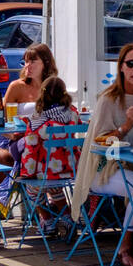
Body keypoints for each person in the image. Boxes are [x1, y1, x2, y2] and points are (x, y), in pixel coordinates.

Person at [71, 43, 133, 266]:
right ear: (121, 68)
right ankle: (126, 245)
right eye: (130, 63)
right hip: (105, 168)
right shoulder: (108, 99)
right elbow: (99, 143)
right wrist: (126, 126)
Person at [18, 76, 83, 234]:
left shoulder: (38, 120)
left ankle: (47, 220)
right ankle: (68, 218)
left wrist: (27, 173)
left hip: (47, 173)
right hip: (71, 170)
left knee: (32, 188)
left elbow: (31, 150)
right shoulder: (73, 114)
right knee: (55, 187)